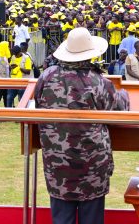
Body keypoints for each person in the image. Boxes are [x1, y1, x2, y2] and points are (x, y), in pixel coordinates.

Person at [34, 28, 128, 224]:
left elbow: (38, 102)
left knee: (61, 217)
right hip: (91, 164)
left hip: (57, 162)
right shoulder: (98, 82)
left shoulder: (46, 76)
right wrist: (124, 93)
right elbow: (120, 109)